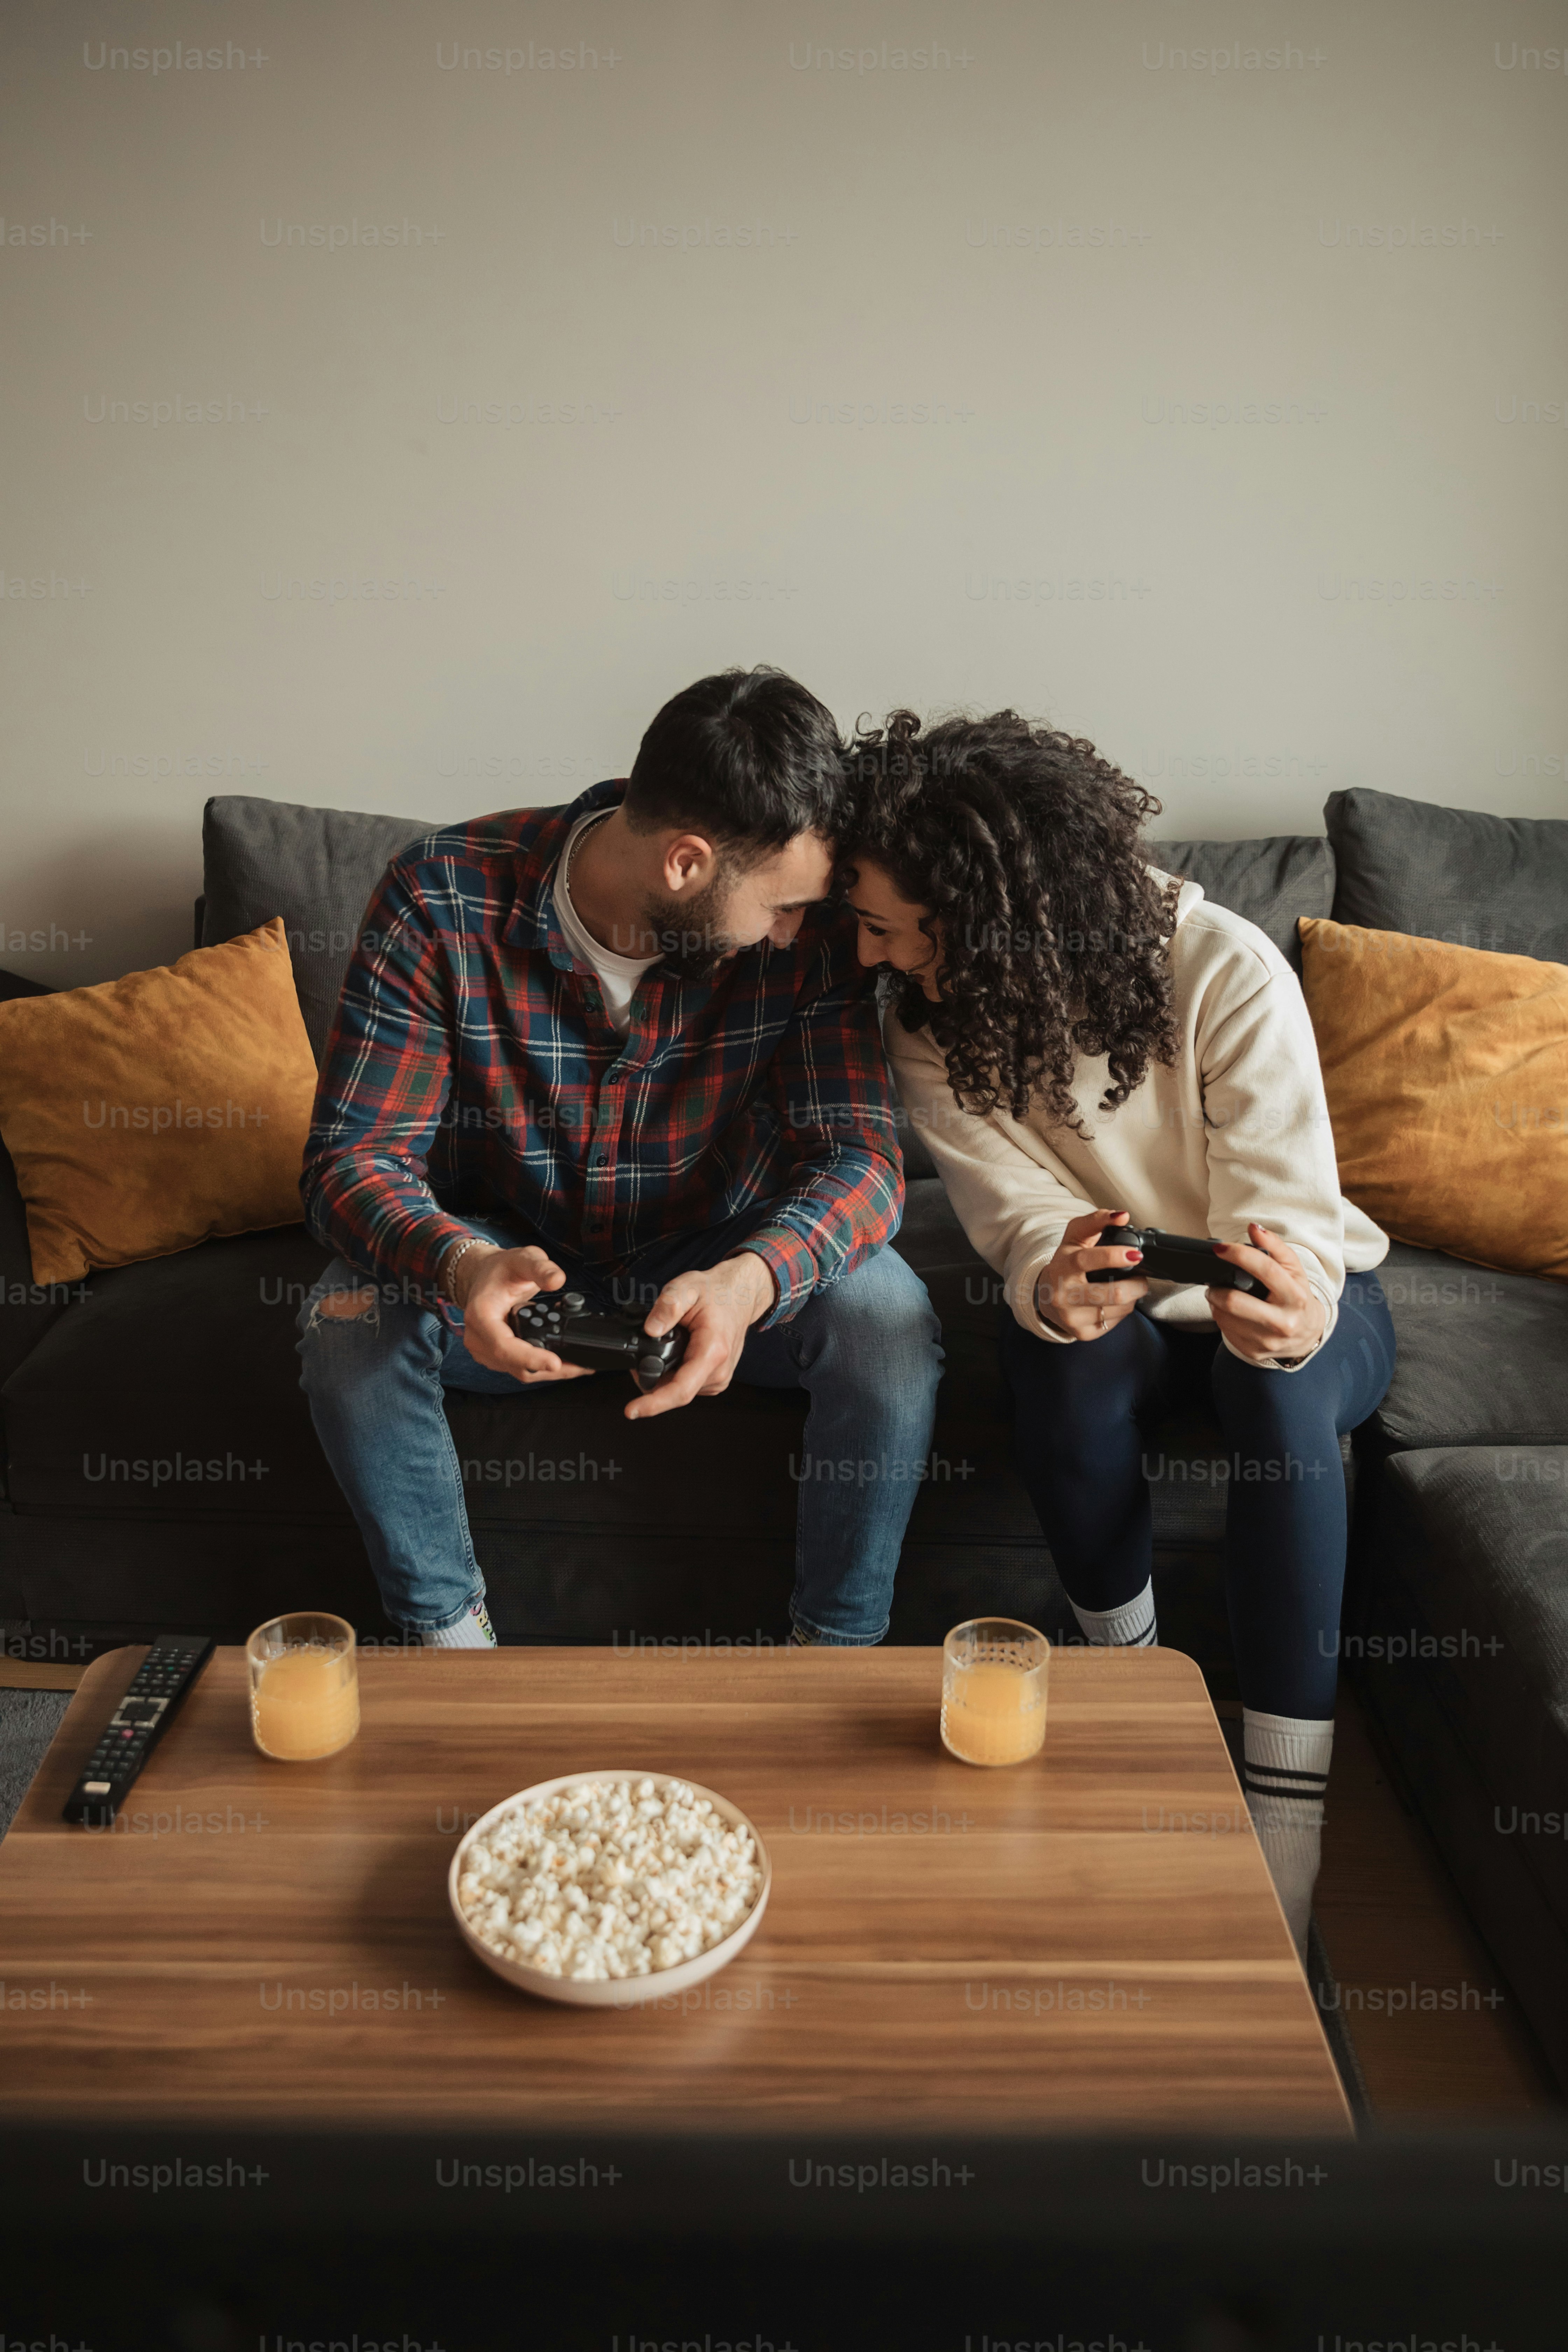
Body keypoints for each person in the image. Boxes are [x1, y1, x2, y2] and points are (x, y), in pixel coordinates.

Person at [842, 708, 1393, 1950]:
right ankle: (1132, 1688)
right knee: (1064, 1358)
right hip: (1132, 1309)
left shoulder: (1225, 967)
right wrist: (1055, 1277)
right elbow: (1016, 1207)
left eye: (881, 923)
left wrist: (1286, 1311)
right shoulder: (926, 1016)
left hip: (1310, 1297)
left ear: (980, 911)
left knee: (1277, 1394)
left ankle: (1285, 1823)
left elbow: (1284, 1218)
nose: (864, 951)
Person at [296, 669, 942, 1651]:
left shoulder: (807, 950)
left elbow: (860, 1156)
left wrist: (752, 1279)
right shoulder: (440, 896)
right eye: (780, 907)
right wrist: (462, 1266)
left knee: (890, 1319)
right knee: (344, 1321)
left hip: (715, 1268)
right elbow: (352, 1162)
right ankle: (448, 1646)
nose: (799, 933)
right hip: (512, 1269)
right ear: (685, 863)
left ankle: (834, 1659)